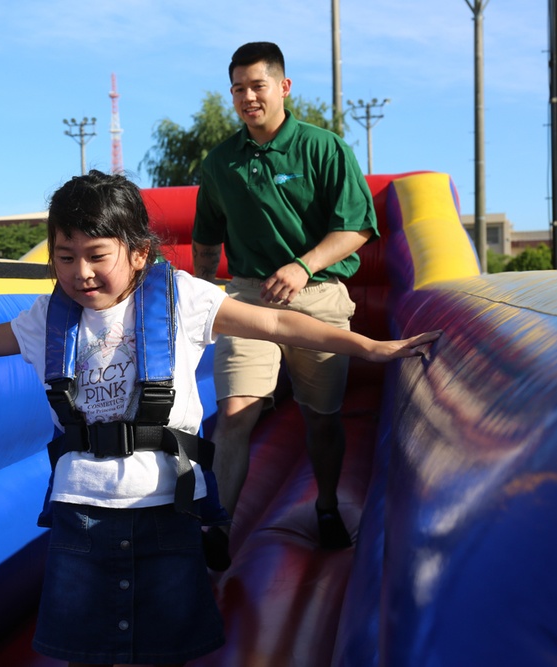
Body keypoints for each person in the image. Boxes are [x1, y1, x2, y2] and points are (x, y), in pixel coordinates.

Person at [0, 171, 438, 667]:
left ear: (138, 254)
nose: (80, 272)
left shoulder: (179, 298)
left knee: (169, 645)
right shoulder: (49, 318)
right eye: (65, 256)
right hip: (82, 513)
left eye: (96, 255)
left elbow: (279, 324)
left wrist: (370, 347)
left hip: (166, 509)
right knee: (79, 647)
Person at [190, 41, 380, 562]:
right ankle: (219, 532)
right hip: (250, 298)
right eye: (238, 89)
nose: (248, 97)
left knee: (320, 417)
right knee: (234, 414)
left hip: (316, 295)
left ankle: (325, 503)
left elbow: (358, 227)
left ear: (283, 87)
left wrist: (303, 266)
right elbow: (206, 243)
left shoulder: (324, 148)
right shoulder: (221, 162)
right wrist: (198, 299)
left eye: (257, 86)